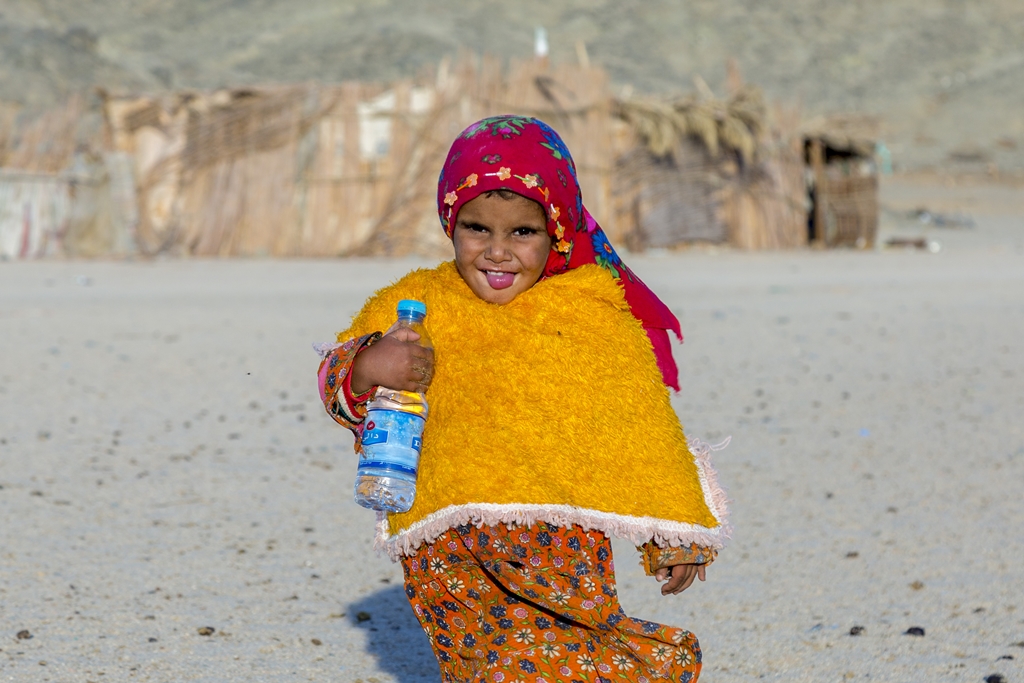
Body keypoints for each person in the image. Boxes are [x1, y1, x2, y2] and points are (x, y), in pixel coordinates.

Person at [317, 115, 729, 682]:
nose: (497, 252)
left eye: (522, 232)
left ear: (557, 231)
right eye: (477, 228)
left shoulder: (589, 316)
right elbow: (339, 389)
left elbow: (641, 429)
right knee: (480, 667)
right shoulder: (416, 304)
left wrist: (674, 532)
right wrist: (369, 365)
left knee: (566, 653)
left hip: (557, 547)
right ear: (450, 223)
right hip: (446, 549)